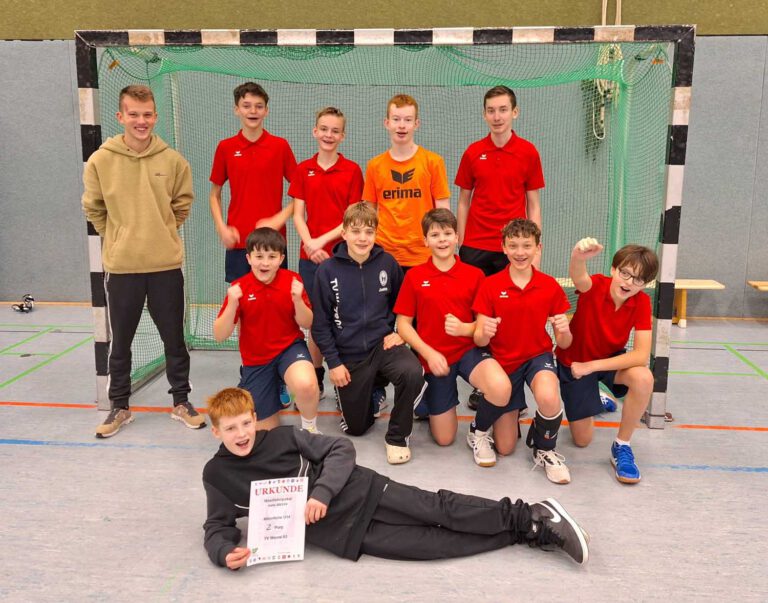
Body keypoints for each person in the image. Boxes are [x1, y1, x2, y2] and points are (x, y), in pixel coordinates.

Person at [202, 387, 590, 570]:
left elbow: (341, 450)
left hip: (361, 489)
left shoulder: (284, 437)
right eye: (230, 428)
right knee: (429, 546)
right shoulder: (218, 475)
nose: (241, 434)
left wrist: (320, 493)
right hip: (344, 533)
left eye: (245, 423)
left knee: (439, 509)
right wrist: (224, 552)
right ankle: (531, 533)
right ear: (216, 431)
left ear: (255, 419)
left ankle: (530, 515)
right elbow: (217, 525)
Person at [82, 84, 204, 438]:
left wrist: (158, 234)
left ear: (155, 116)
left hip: (165, 266)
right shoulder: (101, 161)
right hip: (123, 269)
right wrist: (121, 238)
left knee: (174, 341)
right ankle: (119, 406)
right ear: (120, 117)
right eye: (133, 114)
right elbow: (94, 208)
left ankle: (181, 401)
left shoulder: (173, 161)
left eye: (147, 114)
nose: (141, 121)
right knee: (121, 342)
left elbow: (182, 205)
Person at [394, 208, 512, 465]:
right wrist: (429, 353)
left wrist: (465, 329)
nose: (442, 239)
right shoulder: (415, 276)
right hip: (435, 360)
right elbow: (403, 325)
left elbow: (481, 326)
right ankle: (427, 399)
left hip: (469, 352)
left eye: (447, 233)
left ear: (457, 236)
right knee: (445, 438)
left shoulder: (475, 275)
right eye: (435, 234)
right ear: (425, 240)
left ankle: (478, 432)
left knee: (501, 388)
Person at [311, 202, 425, 464]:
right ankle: (372, 391)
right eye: (356, 231)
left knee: (411, 372)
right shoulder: (327, 271)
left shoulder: (387, 263)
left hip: (382, 345)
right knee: (356, 429)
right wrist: (334, 363)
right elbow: (320, 324)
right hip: (349, 355)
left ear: (376, 234)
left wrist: (400, 332)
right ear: (344, 233)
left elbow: (406, 305)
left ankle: (397, 437)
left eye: (369, 232)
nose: (363, 238)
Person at [455, 86, 545, 410]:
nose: (497, 116)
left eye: (503, 109)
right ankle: (482, 381)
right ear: (484, 114)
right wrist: (459, 243)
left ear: (515, 113)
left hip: (513, 250)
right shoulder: (472, 152)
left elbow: (533, 203)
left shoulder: (529, 152)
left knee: (509, 316)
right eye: (491, 110)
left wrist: (535, 248)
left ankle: (509, 380)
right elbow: (463, 201)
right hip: (475, 247)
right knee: (478, 317)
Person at [471, 219, 573, 484]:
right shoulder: (490, 285)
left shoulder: (550, 285)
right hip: (503, 363)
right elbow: (480, 340)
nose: (520, 252)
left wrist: (563, 329)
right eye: (513, 245)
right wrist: (486, 330)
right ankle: (481, 428)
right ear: (503, 247)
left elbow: (564, 344)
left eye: (526, 245)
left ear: (538, 247)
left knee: (550, 398)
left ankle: (545, 449)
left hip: (536, 357)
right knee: (505, 448)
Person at [556, 238, 658, 484]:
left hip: (602, 362)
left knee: (644, 377)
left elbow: (641, 355)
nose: (628, 282)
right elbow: (579, 276)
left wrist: (592, 366)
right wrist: (578, 255)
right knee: (582, 440)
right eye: (625, 273)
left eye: (638, 279)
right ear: (614, 270)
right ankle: (598, 397)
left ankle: (621, 445)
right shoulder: (595, 286)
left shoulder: (641, 302)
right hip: (574, 362)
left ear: (645, 284)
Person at [213, 228, 319, 433]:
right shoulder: (239, 288)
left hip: (289, 349)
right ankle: (272, 387)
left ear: (281, 258)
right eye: (259, 256)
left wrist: (297, 299)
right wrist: (233, 303)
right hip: (257, 360)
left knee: (306, 384)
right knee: (264, 434)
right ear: (248, 258)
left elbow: (307, 323)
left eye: (271, 256)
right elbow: (219, 335)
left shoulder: (293, 281)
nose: (265, 263)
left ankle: (311, 429)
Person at [290, 107, 364, 397]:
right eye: (324, 129)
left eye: (335, 130)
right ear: (315, 131)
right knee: (317, 323)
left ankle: (346, 379)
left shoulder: (352, 170)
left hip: (341, 258)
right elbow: (298, 214)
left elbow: (351, 218)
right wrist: (310, 244)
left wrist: (322, 242)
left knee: (342, 320)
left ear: (342, 136)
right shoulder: (303, 169)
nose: (329, 135)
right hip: (309, 258)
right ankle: (316, 378)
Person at [209, 82, 297, 283]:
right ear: (236, 109)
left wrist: (278, 219)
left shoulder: (280, 146)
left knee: (275, 304)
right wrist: (221, 227)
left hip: (273, 243)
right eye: (247, 105)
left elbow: (301, 192)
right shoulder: (225, 148)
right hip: (239, 242)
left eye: (258, 106)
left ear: (266, 111)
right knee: (240, 304)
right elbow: (214, 194)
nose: (253, 111)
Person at [362, 94, 451, 271]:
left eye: (408, 120)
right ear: (386, 123)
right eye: (396, 119)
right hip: (384, 254)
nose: (401, 125)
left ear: (416, 124)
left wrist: (443, 248)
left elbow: (443, 211)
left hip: (423, 254)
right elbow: (368, 212)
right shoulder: (375, 165)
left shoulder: (433, 162)